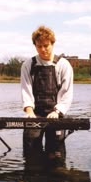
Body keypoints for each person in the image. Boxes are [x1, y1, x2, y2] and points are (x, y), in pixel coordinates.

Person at [20, 25, 73, 154]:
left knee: (55, 153)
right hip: (35, 113)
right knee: (31, 151)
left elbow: (67, 92)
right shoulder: (28, 65)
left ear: (52, 44)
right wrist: (29, 111)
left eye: (46, 45)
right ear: (35, 46)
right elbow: (25, 89)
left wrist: (57, 111)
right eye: (39, 46)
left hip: (55, 113)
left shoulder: (63, 65)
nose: (43, 49)